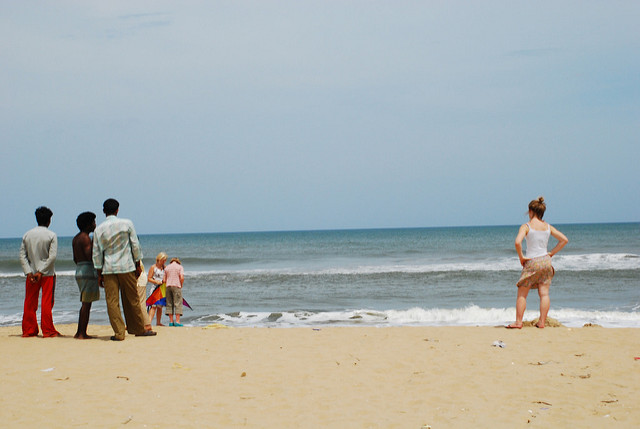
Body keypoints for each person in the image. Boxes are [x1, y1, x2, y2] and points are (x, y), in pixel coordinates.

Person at [92, 198, 156, 340]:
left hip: (108, 269)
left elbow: (96, 252)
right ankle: (138, 329)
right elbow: (135, 245)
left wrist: (99, 272)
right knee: (132, 299)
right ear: (117, 210)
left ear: (104, 211)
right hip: (127, 267)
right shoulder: (127, 224)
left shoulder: (99, 229)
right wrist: (138, 264)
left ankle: (119, 332)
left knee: (112, 302)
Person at [507, 197, 569, 329]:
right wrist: (551, 253)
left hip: (532, 261)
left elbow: (518, 242)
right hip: (546, 261)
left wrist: (521, 257)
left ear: (530, 211)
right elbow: (564, 240)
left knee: (522, 292)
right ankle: (542, 322)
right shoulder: (547, 227)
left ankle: (518, 322)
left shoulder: (526, 226)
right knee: (544, 293)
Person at [19, 206, 61, 338]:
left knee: (30, 302)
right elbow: (52, 256)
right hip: (47, 274)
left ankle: (29, 330)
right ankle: (48, 330)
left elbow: (22, 255)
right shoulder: (51, 235)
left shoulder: (27, 234)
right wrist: (42, 271)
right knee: (47, 301)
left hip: (31, 272)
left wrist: (29, 272)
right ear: (49, 220)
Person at [72, 211, 100, 339]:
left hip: (79, 269)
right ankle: (82, 333)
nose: (95, 224)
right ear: (88, 224)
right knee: (86, 303)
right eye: (93, 222)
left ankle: (80, 331)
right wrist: (95, 243)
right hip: (87, 271)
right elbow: (90, 255)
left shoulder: (76, 238)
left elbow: (75, 258)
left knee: (85, 302)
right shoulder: (85, 238)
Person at [147, 252, 168, 326]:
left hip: (162, 289)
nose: (164, 262)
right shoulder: (153, 267)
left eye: (165, 260)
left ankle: (158, 322)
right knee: (153, 306)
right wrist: (156, 281)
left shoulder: (165, 268)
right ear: (159, 259)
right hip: (154, 288)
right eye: (163, 260)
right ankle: (149, 322)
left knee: (160, 306)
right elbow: (149, 278)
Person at [164, 257, 185, 326]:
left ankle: (170, 322)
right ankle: (177, 322)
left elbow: (164, 280)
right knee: (178, 303)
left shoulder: (167, 268)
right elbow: (181, 277)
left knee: (169, 303)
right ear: (178, 262)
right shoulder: (180, 267)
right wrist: (181, 285)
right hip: (176, 285)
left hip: (168, 286)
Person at [136, 261, 152, 331]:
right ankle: (134, 323)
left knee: (141, 303)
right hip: (141, 279)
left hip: (139, 281)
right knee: (136, 303)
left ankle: (147, 324)